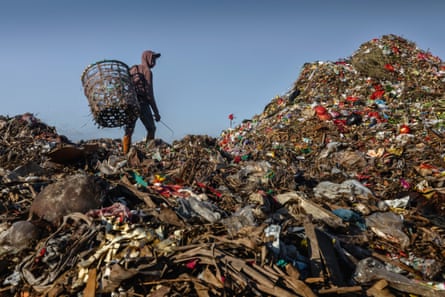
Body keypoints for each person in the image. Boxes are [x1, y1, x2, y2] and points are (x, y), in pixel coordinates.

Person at [122, 50, 162, 154]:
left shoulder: (132, 69)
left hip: (130, 104)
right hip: (142, 104)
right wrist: (156, 112)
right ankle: (149, 152)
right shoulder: (147, 71)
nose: (154, 61)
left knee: (128, 130)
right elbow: (149, 94)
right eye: (152, 58)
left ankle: (125, 154)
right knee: (151, 129)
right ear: (147, 58)